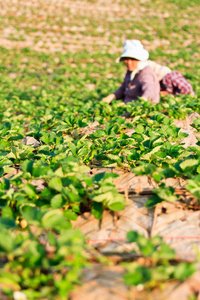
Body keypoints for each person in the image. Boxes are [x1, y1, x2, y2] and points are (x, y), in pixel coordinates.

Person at [102, 40, 160, 104]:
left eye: (133, 59)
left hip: (139, 107)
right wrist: (112, 96)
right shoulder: (131, 71)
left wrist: (139, 103)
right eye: (126, 59)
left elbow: (149, 92)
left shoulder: (146, 73)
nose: (129, 63)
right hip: (128, 105)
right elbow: (124, 88)